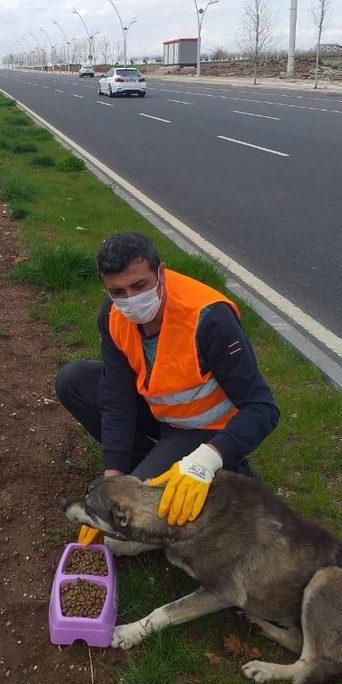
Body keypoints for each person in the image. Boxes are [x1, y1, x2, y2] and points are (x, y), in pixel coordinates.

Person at [55, 232, 279, 544]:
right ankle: (154, 467)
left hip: (205, 430)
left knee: (125, 538)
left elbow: (263, 409)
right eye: (117, 291)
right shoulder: (112, 315)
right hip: (160, 413)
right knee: (74, 380)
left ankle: (224, 467)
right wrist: (114, 477)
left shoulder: (209, 317)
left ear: (161, 273)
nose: (130, 299)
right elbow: (116, 398)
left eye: (139, 286)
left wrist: (206, 459)